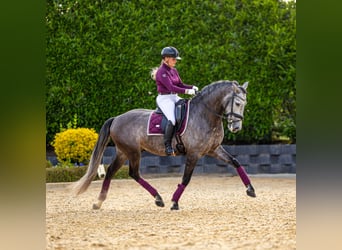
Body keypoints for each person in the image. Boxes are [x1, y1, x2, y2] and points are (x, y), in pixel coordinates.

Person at [150, 46, 198, 155]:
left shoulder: (174, 70)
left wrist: (191, 87)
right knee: (172, 119)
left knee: (188, 109)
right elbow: (171, 87)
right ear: (166, 58)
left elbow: (180, 84)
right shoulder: (161, 72)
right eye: (173, 59)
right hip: (165, 98)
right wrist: (187, 92)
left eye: (176, 59)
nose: (175, 61)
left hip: (174, 97)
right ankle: (167, 146)